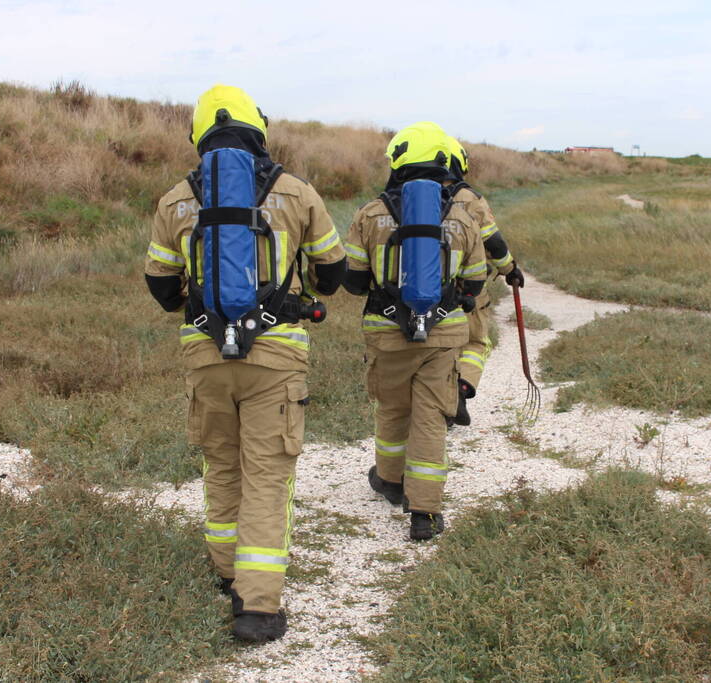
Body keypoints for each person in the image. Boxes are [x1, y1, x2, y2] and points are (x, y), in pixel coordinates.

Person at [144, 84, 346, 643]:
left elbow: (161, 288)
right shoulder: (297, 192)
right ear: (260, 129)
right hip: (276, 357)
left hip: (205, 356)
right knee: (267, 472)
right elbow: (333, 272)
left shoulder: (175, 201)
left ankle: (226, 570)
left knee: (222, 463)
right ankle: (257, 606)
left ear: (198, 136)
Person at [342, 121, 487, 540]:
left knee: (391, 407)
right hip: (442, 338)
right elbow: (475, 282)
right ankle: (424, 512)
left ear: (399, 162)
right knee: (430, 419)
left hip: (386, 333)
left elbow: (352, 281)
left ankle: (389, 481)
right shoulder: (461, 217)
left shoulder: (370, 214)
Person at [444, 136, 524, 426]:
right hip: (468, 290)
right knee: (475, 343)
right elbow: (494, 242)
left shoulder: (408, 198)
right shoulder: (469, 200)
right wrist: (510, 269)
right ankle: (461, 390)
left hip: (424, 290)